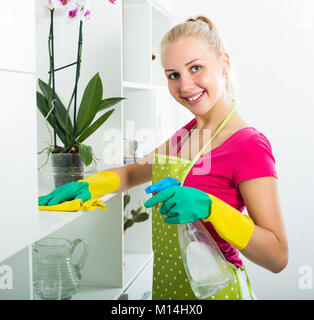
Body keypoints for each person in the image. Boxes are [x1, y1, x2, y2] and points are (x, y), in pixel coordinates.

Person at [39, 15, 288, 300]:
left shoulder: (249, 145)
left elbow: (278, 255)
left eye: (196, 68)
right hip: (169, 289)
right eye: (173, 75)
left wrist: (211, 208)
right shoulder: (186, 134)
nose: (185, 86)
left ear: (224, 64)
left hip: (217, 291)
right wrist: (91, 185)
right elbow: (135, 172)